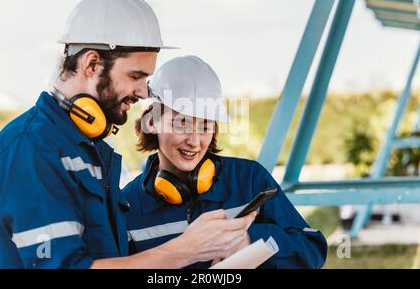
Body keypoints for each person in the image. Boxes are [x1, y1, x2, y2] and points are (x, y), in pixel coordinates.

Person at [0, 0, 255, 269]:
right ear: (91, 64)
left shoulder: (88, 148)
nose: (143, 91)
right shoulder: (30, 149)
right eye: (136, 76)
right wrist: (186, 250)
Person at [124, 55, 328, 268]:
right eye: (181, 123)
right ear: (153, 122)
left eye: (205, 125)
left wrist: (249, 241)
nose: (194, 141)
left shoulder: (249, 179)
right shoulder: (128, 205)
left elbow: (312, 248)